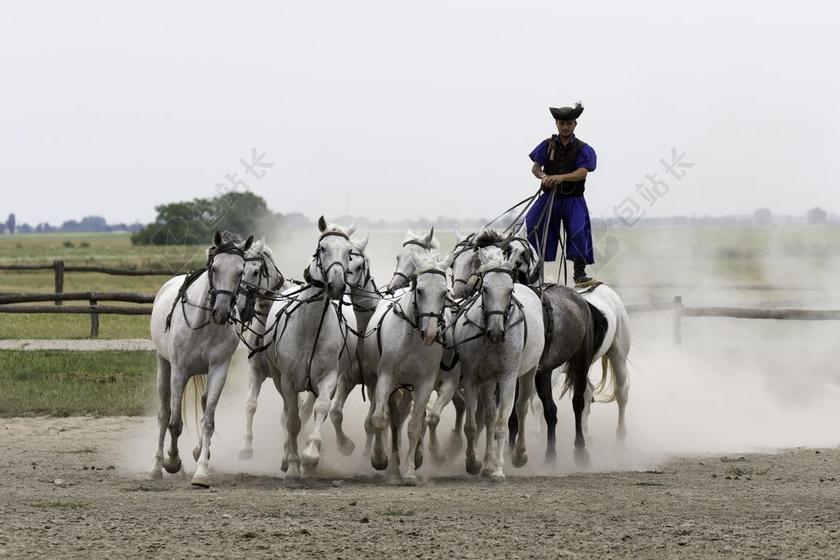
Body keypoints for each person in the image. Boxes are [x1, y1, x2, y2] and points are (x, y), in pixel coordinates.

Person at [525, 102, 597, 284]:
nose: (565, 127)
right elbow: (535, 168)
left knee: (578, 231)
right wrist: (544, 177)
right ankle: (534, 268)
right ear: (556, 124)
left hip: (573, 200)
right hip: (550, 198)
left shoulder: (583, 148)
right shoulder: (547, 145)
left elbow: (582, 172)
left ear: (575, 124)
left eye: (569, 123)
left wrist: (560, 177)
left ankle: (579, 273)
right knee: (531, 225)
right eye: (562, 123)